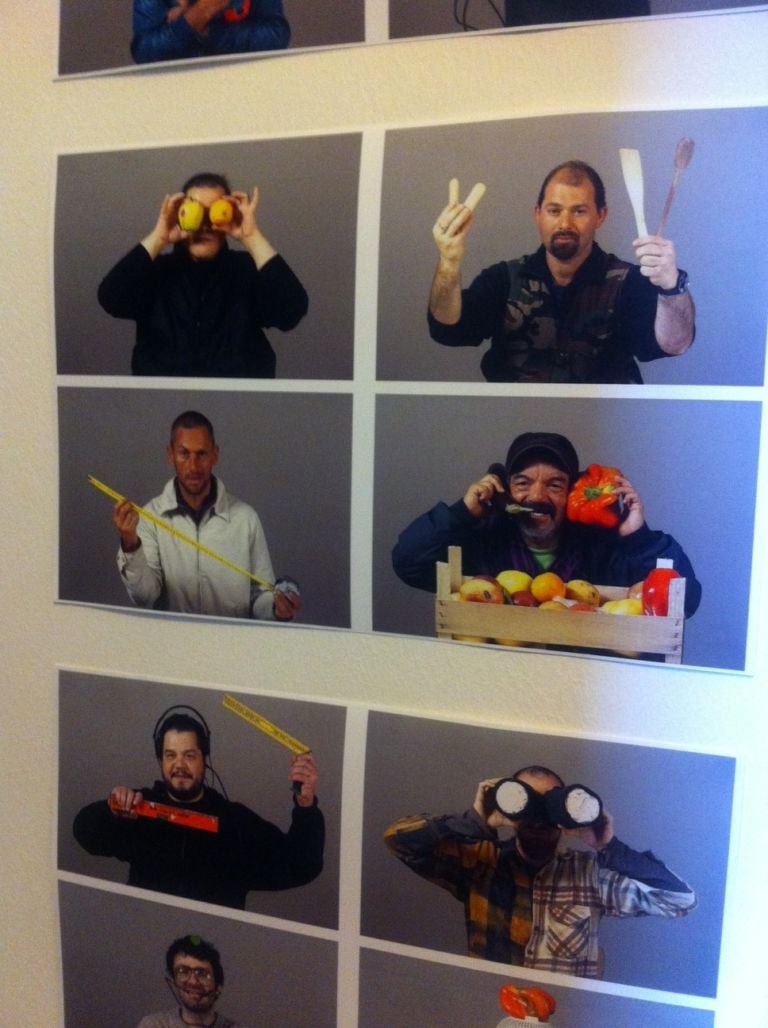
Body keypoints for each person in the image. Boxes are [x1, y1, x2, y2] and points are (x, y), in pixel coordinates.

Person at [384, 764, 696, 977]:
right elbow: (398, 840)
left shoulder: (589, 875)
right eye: (527, 801)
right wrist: (474, 822)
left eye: (550, 804)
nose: (538, 816)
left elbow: (679, 900)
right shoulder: (481, 862)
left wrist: (608, 846)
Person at [428, 160, 695, 383]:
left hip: (603, 424)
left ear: (600, 216)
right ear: (538, 214)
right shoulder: (502, 279)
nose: (564, 223)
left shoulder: (630, 282)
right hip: (512, 419)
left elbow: (674, 344)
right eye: (554, 210)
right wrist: (448, 263)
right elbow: (449, 330)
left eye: (579, 211)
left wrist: (671, 286)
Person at [392, 431, 701, 617]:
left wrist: (637, 537)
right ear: (506, 490)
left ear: (573, 494)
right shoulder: (482, 540)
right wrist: (461, 513)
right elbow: (408, 563)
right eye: (522, 483)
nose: (537, 496)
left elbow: (685, 601)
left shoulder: (607, 548)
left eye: (554, 485)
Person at [73, 708, 324, 910]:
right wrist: (110, 810)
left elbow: (302, 866)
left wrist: (306, 806)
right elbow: (84, 832)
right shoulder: (140, 807)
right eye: (170, 755)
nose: (179, 765)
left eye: (189, 755)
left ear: (205, 758)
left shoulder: (235, 822)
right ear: (160, 760)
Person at [98, 171, 308, 376]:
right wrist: (159, 238)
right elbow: (111, 299)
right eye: (196, 211)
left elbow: (291, 313)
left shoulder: (247, 270)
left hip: (236, 395)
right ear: (180, 214)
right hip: (164, 395)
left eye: (214, 211)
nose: (205, 225)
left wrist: (251, 236)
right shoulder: (154, 271)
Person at [112, 409, 301, 621]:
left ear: (215, 455)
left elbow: (261, 597)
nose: (193, 466)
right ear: (170, 455)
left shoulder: (246, 519)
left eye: (201, 454)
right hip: (173, 640)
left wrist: (276, 608)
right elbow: (144, 596)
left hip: (230, 640)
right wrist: (131, 544)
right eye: (184, 454)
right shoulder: (149, 517)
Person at [132, 0, 290, 65]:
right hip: (177, 92)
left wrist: (205, 26)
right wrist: (198, 14)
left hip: (243, 84)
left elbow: (276, 35)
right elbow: (144, 51)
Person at [138, 933, 242, 1028]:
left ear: (218, 986)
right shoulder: (154, 1025)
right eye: (183, 971)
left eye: (201, 973)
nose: (193, 981)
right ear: (172, 982)